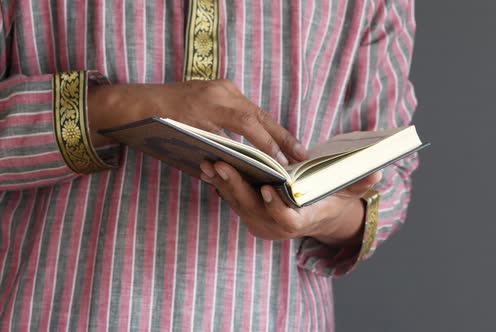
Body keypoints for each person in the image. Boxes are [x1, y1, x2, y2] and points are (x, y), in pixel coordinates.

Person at [0, 0, 419, 330]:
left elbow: (391, 179)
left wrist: (322, 217)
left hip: (271, 316)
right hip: (53, 311)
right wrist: (116, 108)